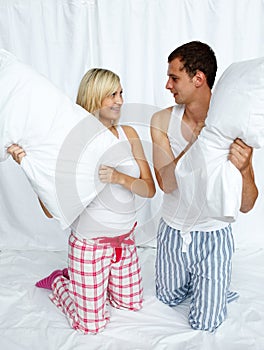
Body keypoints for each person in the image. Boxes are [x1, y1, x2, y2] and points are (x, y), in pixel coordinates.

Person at [8, 68, 156, 334]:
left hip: (124, 245)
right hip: (90, 247)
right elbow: (50, 209)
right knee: (90, 326)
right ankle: (60, 282)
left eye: (121, 92)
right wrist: (28, 167)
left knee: (130, 305)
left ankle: (87, 283)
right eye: (112, 94)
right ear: (94, 97)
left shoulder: (129, 134)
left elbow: (149, 189)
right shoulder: (72, 144)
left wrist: (119, 177)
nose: (120, 100)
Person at [150, 41, 258, 332]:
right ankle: (202, 281)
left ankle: (213, 280)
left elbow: (247, 204)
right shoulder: (161, 121)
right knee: (167, 298)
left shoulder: (232, 125)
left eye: (174, 78)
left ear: (198, 78)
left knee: (205, 324)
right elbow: (166, 183)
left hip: (213, 237)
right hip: (173, 231)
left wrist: (245, 168)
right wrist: (201, 143)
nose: (167, 85)